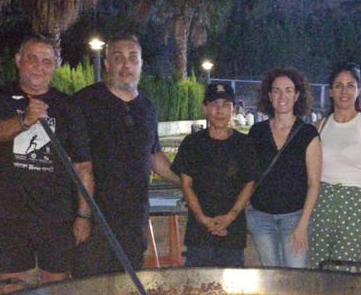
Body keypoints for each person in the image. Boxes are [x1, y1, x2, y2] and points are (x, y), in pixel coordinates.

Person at [0, 35, 93, 294]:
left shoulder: (68, 107)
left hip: (57, 216)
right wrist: (24, 120)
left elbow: (83, 167)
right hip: (11, 214)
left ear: (55, 66)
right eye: (32, 59)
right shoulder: (0, 96)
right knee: (10, 290)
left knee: (56, 288)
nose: (39, 67)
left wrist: (84, 215)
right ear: (19, 60)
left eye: (47, 62)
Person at [72, 35, 179, 277]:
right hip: (96, 219)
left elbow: (154, 157)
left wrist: (186, 181)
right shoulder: (85, 102)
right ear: (107, 64)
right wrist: (83, 215)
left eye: (133, 58)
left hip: (133, 220)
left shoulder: (147, 108)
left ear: (141, 64)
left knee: (128, 286)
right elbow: (81, 167)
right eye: (118, 58)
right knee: (89, 288)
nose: (126, 65)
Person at [172, 82, 258, 267]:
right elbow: (186, 184)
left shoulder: (244, 144)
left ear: (234, 109)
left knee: (232, 284)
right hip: (199, 235)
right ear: (205, 108)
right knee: (196, 284)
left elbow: (249, 183)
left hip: (233, 234)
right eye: (214, 104)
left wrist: (231, 217)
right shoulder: (192, 143)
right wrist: (203, 219)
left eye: (226, 105)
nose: (220, 110)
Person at [309, 62, 361, 269]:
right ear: (330, 91)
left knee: (345, 268)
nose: (344, 91)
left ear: (359, 90)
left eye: (351, 85)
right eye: (338, 85)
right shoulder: (319, 127)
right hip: (322, 201)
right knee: (317, 266)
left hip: (354, 203)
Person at [246, 67, 321, 268]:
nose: (282, 96)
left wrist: (303, 224)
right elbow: (248, 176)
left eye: (288, 90)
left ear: (296, 96)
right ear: (270, 96)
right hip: (260, 217)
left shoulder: (308, 134)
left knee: (295, 274)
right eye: (277, 90)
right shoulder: (257, 132)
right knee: (271, 274)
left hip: (295, 217)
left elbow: (314, 184)